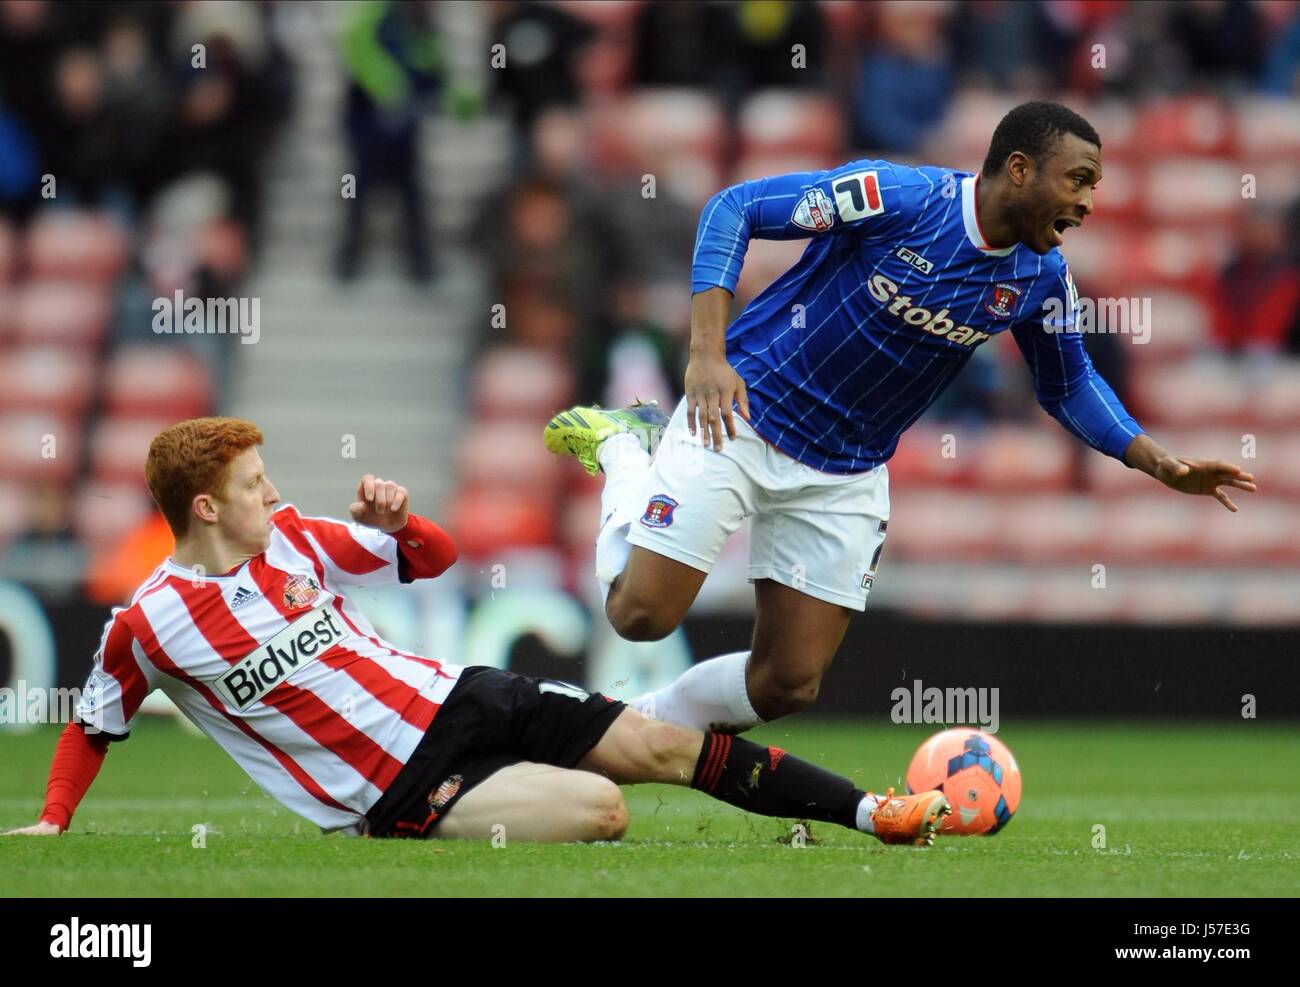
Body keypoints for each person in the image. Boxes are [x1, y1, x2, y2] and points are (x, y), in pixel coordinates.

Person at [544, 101, 1257, 735]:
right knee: (640, 617)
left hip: (846, 469)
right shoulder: (896, 197)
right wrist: (706, 355)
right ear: (1018, 169)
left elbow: (1067, 386)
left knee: (788, 681)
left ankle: (632, 731)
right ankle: (627, 449)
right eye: (1078, 180)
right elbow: (734, 208)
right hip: (743, 416)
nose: (1089, 202)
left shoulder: (1041, 279)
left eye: (1095, 187)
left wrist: (1155, 459)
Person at [3, 417, 949, 847]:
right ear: (206, 506)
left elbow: (437, 557)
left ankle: (875, 813)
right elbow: (93, 725)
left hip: (460, 690)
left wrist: (400, 521)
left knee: (660, 743)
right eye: (256, 483)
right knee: (603, 811)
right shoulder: (150, 625)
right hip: (398, 784)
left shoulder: (293, 538)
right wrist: (52, 821)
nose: (276, 492)